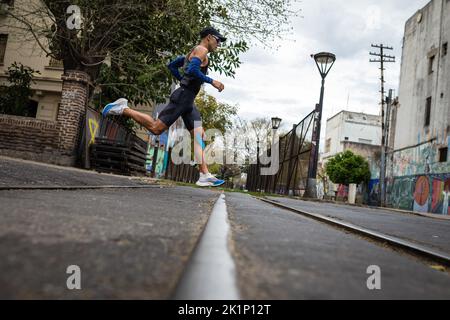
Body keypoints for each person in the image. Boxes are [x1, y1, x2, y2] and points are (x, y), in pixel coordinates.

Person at [102, 27, 227, 187]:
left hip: (188, 100)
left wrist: (184, 81)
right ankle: (123, 108)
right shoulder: (201, 50)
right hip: (182, 98)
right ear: (209, 37)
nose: (219, 44)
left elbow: (172, 66)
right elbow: (192, 69)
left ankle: (204, 174)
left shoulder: (194, 51)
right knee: (155, 128)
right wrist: (211, 81)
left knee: (199, 135)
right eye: (218, 40)